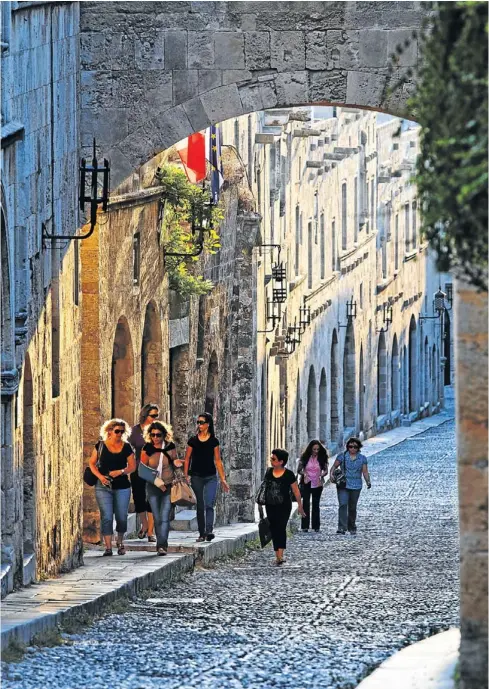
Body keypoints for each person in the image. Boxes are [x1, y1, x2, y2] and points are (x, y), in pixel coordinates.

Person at [88, 419, 136, 556]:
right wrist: (100, 477)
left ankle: (120, 542)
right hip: (103, 486)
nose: (119, 434)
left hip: (122, 486)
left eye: (122, 431)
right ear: (109, 431)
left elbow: (132, 466)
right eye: (117, 431)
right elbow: (91, 463)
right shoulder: (101, 446)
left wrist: (120, 471)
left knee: (121, 516)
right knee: (107, 517)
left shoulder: (126, 447)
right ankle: (108, 547)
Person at [183, 412, 229, 543]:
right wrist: (186, 475)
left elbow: (218, 460)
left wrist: (223, 479)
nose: (199, 425)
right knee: (200, 505)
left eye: (201, 422)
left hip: (210, 477)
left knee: (209, 503)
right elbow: (187, 459)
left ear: (208, 424)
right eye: (198, 422)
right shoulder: (193, 440)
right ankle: (201, 533)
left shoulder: (214, 441)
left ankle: (209, 531)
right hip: (196, 476)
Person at [140, 421, 182, 556]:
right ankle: (161, 543)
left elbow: (175, 462)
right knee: (157, 517)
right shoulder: (147, 449)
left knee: (164, 516)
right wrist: (156, 481)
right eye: (153, 435)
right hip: (153, 487)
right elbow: (142, 470)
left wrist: (177, 465)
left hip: (168, 486)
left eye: (158, 435)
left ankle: (162, 546)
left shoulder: (170, 447)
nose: (156, 438)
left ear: (164, 435)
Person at [263, 449, 305, 566]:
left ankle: (280, 556)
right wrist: (261, 507)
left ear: (281, 461)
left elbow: (296, 491)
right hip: (270, 505)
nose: (271, 460)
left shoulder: (289, 474)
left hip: (284, 506)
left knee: (281, 528)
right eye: (271, 458)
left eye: (273, 459)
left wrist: (300, 506)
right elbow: (265, 489)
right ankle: (277, 555)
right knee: (273, 528)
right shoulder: (269, 472)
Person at [128, 404, 159, 542]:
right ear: (145, 415)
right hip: (138, 469)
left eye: (156, 416)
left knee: (151, 499)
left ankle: (151, 532)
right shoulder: (135, 431)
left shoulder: (158, 431)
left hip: (153, 469)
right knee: (139, 498)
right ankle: (144, 525)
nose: (155, 418)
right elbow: (127, 448)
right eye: (153, 416)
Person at [330, 437, 371, 535]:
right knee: (343, 504)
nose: (352, 449)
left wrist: (368, 482)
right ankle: (342, 527)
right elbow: (334, 466)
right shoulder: (342, 456)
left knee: (352, 507)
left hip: (356, 485)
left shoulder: (362, 458)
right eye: (350, 446)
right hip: (343, 484)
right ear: (347, 447)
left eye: (355, 447)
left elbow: (365, 472)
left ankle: (352, 526)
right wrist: (331, 474)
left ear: (358, 448)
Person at [297, 439, 329, 532]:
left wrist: (321, 475)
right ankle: (305, 526)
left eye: (317, 449)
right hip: (306, 482)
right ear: (310, 449)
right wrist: (304, 474)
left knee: (316, 504)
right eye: (314, 449)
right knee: (306, 503)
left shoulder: (322, 457)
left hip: (317, 483)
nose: (316, 451)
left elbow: (326, 470)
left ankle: (316, 526)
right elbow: (299, 470)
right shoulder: (305, 457)